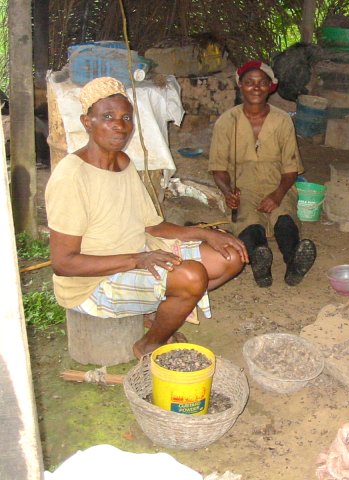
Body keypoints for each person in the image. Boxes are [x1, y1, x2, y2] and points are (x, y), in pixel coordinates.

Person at [45, 77, 248, 359]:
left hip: (141, 253)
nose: (120, 125)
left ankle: (157, 311)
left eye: (125, 117)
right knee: (191, 277)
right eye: (107, 117)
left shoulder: (123, 162)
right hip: (93, 284)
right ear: (86, 122)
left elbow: (153, 225)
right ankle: (149, 345)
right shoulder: (71, 177)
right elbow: (63, 264)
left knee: (230, 256)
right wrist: (137, 260)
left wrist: (207, 233)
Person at [209, 60, 316, 288]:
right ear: (240, 86)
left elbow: (291, 168)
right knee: (248, 222)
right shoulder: (227, 122)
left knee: (284, 217)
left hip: (278, 185)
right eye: (249, 83)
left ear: (270, 86)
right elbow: (218, 167)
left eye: (261, 83)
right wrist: (228, 192)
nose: (255, 88)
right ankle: (261, 263)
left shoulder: (282, 120)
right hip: (243, 188)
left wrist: (277, 195)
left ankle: (293, 263)